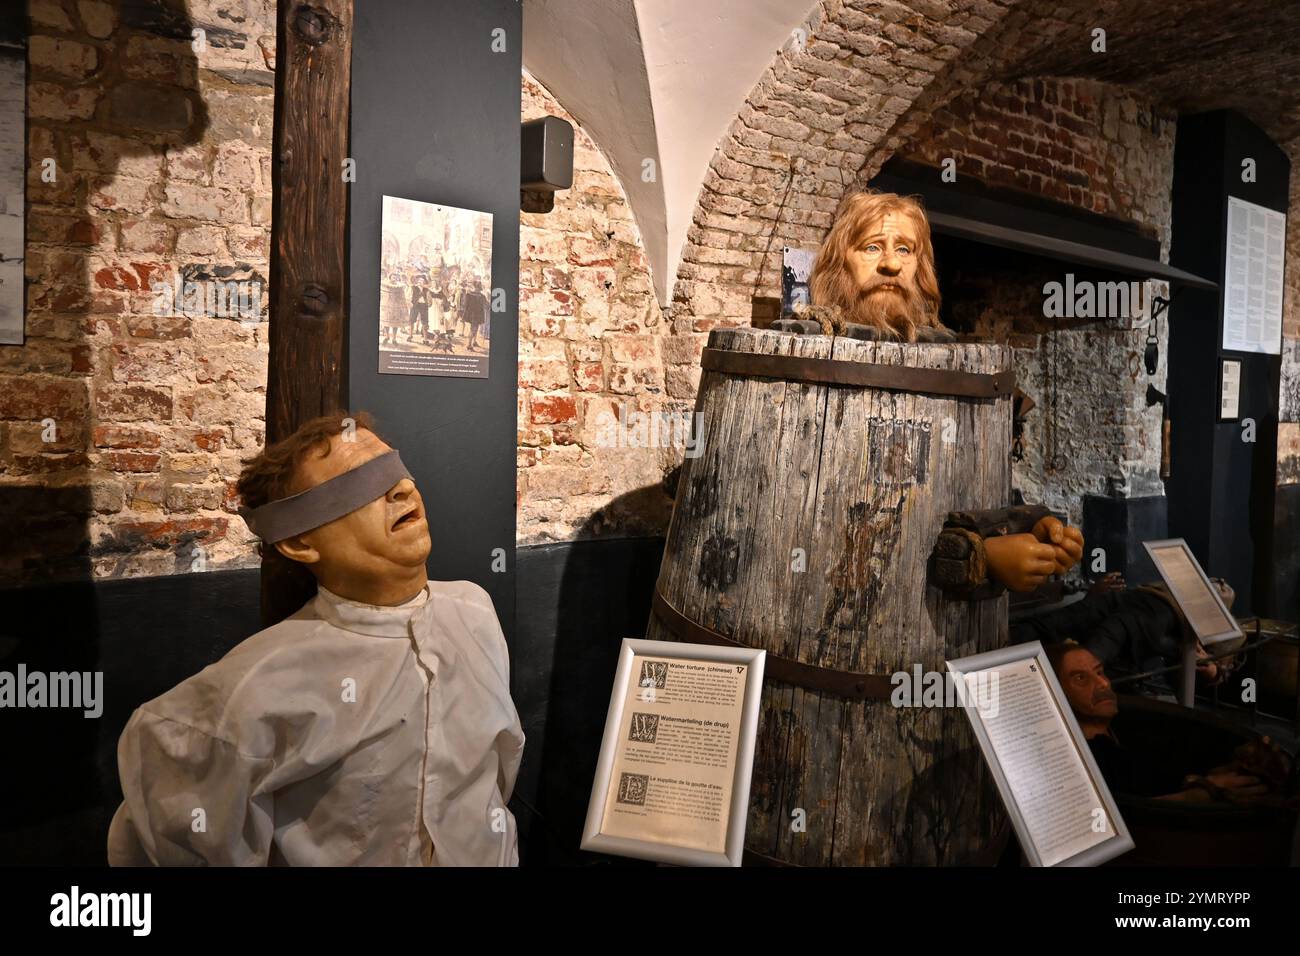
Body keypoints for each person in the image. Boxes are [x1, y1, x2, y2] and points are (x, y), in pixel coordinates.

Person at [107, 412, 525, 866]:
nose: (403, 490)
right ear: (301, 543)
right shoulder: (253, 690)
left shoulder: (475, 612)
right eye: (361, 483)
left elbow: (497, 775)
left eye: (396, 471)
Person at [1046, 641, 1279, 803]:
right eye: (1080, 678)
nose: (1103, 684)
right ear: (1056, 693)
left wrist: (1233, 763)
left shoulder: (1131, 729)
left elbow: (1170, 769)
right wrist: (1203, 792)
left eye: (1100, 672)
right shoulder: (1083, 763)